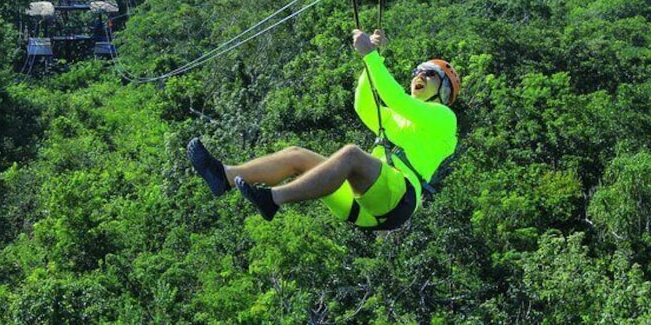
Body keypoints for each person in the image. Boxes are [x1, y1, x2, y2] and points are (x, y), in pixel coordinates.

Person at [186, 28, 459, 230]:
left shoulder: (445, 119)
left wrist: (373, 57)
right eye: (417, 71)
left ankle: (273, 199)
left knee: (351, 155)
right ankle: (225, 177)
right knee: (297, 156)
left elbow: (395, 99)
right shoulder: (398, 119)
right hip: (362, 204)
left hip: (398, 199)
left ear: (444, 91)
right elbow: (363, 105)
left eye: (430, 73)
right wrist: (373, 60)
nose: (419, 76)